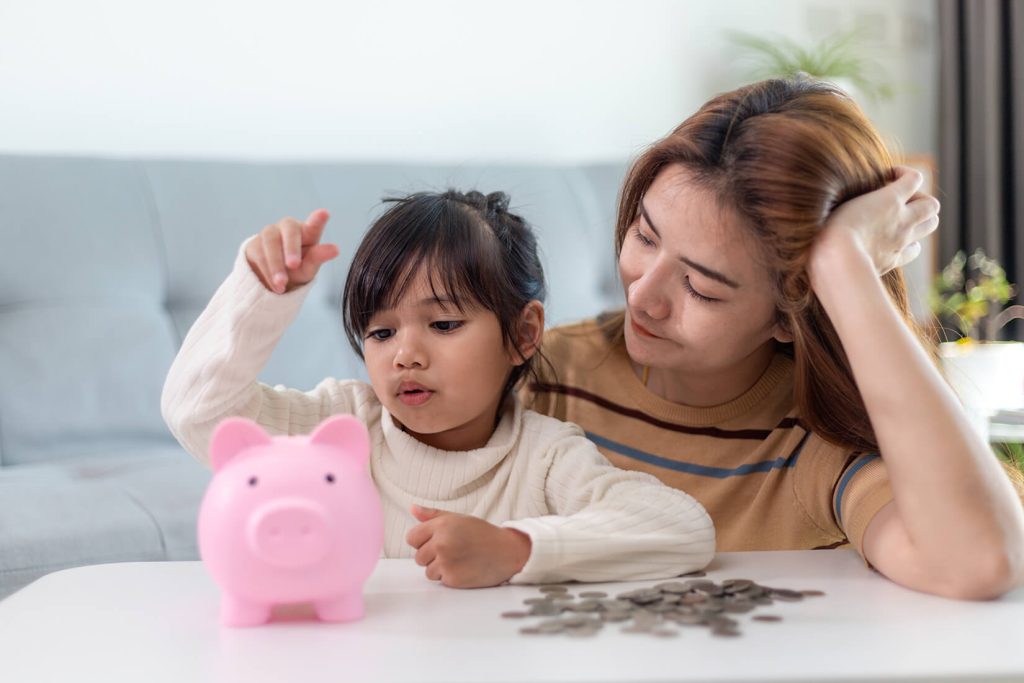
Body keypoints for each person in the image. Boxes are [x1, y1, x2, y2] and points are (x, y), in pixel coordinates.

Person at [524, 77, 1024, 600]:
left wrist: (842, 263)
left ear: (789, 314)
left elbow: (979, 561)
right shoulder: (547, 377)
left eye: (701, 287)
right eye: (645, 237)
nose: (642, 296)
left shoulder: (813, 448)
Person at [162, 189, 715, 589]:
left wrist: (516, 549)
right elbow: (199, 414)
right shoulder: (341, 430)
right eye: (380, 332)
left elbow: (683, 528)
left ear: (522, 334)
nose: (405, 354)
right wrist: (259, 293)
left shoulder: (545, 457)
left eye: (443, 325)